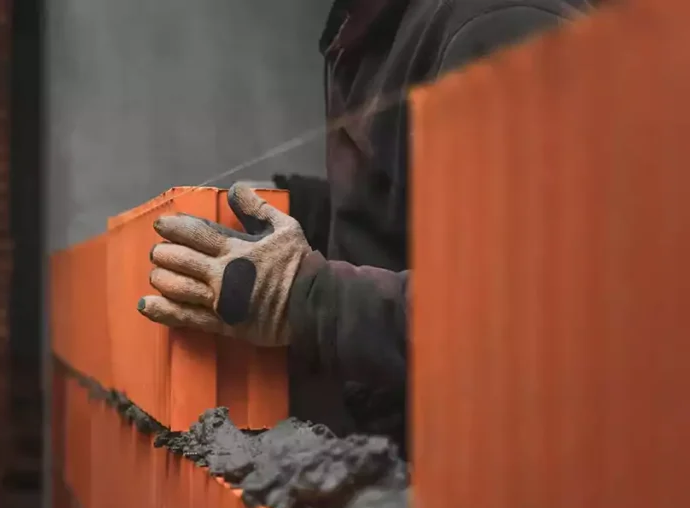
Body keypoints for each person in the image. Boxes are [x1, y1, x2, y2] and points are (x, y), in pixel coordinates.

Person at [137, 0, 592, 437]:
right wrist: (309, 210)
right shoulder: (371, 25)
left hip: (504, 480)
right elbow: (418, 212)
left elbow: (526, 320)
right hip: (409, 447)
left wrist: (305, 299)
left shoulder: (501, 23)